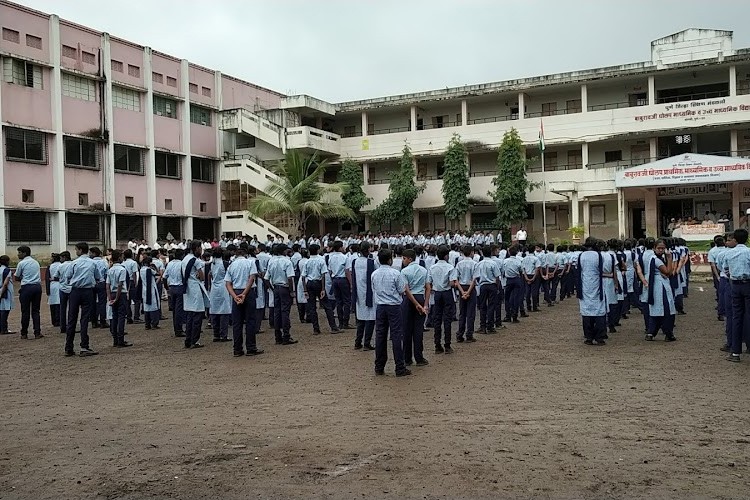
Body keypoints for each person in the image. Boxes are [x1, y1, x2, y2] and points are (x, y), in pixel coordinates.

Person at [372, 249, 410, 377]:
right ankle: (399, 367)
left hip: (380, 306)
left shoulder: (374, 274)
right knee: (396, 336)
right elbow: (401, 290)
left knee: (380, 336)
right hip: (393, 306)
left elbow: (374, 289)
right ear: (390, 259)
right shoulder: (396, 273)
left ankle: (379, 366)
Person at [65, 242, 102, 356]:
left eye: (76, 250)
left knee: (72, 319)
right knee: (85, 319)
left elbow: (67, 276)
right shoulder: (93, 263)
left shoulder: (74, 263)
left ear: (80, 250)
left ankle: (69, 347)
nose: (75, 252)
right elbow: (98, 277)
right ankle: (84, 346)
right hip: (87, 291)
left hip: (75, 291)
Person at [225, 246, 263, 357]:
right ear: (245, 254)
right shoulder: (250, 263)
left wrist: (235, 296)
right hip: (248, 291)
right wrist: (245, 293)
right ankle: (251, 347)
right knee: (250, 320)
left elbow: (227, 283)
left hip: (236, 291)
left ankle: (237, 349)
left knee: (237, 323)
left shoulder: (231, 265)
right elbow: (252, 279)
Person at [400, 248, 429, 367]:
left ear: (409, 259)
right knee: (418, 329)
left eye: (404, 258)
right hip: (420, 297)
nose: (403, 260)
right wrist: (425, 304)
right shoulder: (423, 270)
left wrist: (415, 303)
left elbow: (405, 290)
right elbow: (428, 287)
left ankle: (407, 358)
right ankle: (419, 357)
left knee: (407, 329)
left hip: (409, 299)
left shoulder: (404, 271)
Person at [644, 239, 677, 342]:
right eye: (659, 248)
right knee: (666, 310)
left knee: (656, 310)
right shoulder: (657, 260)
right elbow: (668, 272)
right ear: (654, 248)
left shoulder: (652, 258)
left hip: (656, 284)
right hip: (660, 286)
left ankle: (651, 332)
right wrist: (670, 258)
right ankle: (668, 333)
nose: (661, 250)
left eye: (663, 248)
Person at [725, 228, 750, 362]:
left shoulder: (729, 253)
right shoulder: (748, 252)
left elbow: (725, 269)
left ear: (734, 239)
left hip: (735, 284)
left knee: (736, 317)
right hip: (748, 284)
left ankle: (735, 352)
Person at [577, 238, 607, 346]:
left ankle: (589, 337)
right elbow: (601, 270)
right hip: (597, 285)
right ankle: (599, 337)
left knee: (586, 312)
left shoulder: (581, 256)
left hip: (584, 285)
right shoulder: (599, 256)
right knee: (599, 311)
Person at [428, 245, 457, 354]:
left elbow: (429, 283)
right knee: (447, 319)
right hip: (447, 292)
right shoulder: (450, 267)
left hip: (437, 293)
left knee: (437, 319)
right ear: (446, 256)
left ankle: (437, 344)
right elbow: (451, 283)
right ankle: (447, 344)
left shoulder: (432, 267)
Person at [267, 244, 297, 345]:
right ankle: (286, 336)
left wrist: (271, 288)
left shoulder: (272, 261)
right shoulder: (287, 261)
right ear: (284, 251)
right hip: (284, 287)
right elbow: (289, 278)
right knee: (285, 312)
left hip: (276, 287)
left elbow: (266, 278)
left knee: (277, 312)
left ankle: (277, 336)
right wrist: (292, 291)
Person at [182, 240, 208, 349]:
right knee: (197, 316)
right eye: (200, 248)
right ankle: (194, 340)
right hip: (195, 288)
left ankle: (188, 339)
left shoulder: (184, 259)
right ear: (196, 248)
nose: (201, 250)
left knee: (189, 316)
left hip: (187, 288)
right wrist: (199, 275)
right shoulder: (195, 261)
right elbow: (202, 276)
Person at [15, 246, 43, 340]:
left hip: (26, 287)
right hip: (37, 287)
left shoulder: (21, 263)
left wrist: (22, 278)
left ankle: (24, 333)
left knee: (25, 311)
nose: (18, 254)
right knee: (36, 311)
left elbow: (17, 277)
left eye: (19, 252)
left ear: (24, 253)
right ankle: (37, 332)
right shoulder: (36, 262)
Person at [350, 242, 375, 347]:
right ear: (368, 249)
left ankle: (358, 341)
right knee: (370, 318)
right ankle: (367, 343)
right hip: (369, 293)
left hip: (359, 293)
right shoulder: (371, 262)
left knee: (360, 318)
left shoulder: (355, 261)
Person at [106, 250, 132, 348]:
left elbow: (107, 285)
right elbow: (120, 285)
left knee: (114, 316)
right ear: (120, 258)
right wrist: (117, 298)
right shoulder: (122, 269)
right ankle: (121, 339)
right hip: (121, 294)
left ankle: (115, 339)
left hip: (112, 293)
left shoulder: (110, 269)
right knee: (121, 317)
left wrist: (110, 298)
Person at [476, 245, 502, 334]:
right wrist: (497, 287)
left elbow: (476, 276)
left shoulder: (479, 263)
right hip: (492, 285)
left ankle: (482, 326)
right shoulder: (493, 263)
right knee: (491, 305)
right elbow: (497, 276)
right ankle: (490, 326)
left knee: (482, 306)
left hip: (482, 285)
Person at [327, 241, 352, 330]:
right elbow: (347, 271)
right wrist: (351, 283)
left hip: (335, 279)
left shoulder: (331, 258)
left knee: (338, 301)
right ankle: (346, 322)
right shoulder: (345, 257)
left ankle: (340, 322)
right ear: (340, 247)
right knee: (347, 301)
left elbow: (329, 271)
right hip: (343, 279)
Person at [455, 245, 478, 343]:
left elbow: (456, 279)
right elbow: (474, 279)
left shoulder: (459, 264)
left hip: (462, 287)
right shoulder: (474, 264)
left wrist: (462, 292)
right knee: (470, 313)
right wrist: (468, 292)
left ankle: (460, 333)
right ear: (472, 252)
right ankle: (469, 334)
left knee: (462, 312)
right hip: (470, 288)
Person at [209, 248, 232, 342]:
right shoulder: (225, 264)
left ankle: (216, 334)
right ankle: (224, 335)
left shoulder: (212, 264)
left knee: (214, 311)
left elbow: (210, 275)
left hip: (214, 288)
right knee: (224, 312)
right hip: (223, 287)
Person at [164, 248, 186, 337]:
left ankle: (176, 329)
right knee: (179, 310)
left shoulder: (170, 264)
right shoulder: (182, 264)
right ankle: (179, 329)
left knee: (174, 310)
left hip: (172, 287)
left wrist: (166, 287)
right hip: (179, 287)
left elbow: (164, 277)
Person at [140, 256, 161, 330]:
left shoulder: (141, 269)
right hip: (151, 289)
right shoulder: (149, 270)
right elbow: (158, 274)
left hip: (145, 289)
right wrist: (154, 267)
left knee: (147, 308)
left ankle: (147, 324)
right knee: (154, 306)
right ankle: (154, 323)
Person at [90, 247, 109, 329]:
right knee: (102, 302)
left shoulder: (90, 262)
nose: (89, 254)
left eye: (90, 253)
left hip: (92, 283)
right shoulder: (104, 262)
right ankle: (102, 321)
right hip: (102, 283)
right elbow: (106, 273)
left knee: (92, 302)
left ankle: (94, 321)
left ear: (94, 253)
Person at [0, 255, 15, 335]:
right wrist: (1, 293)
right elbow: (5, 283)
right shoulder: (7, 270)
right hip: (5, 291)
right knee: (5, 310)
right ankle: (4, 329)